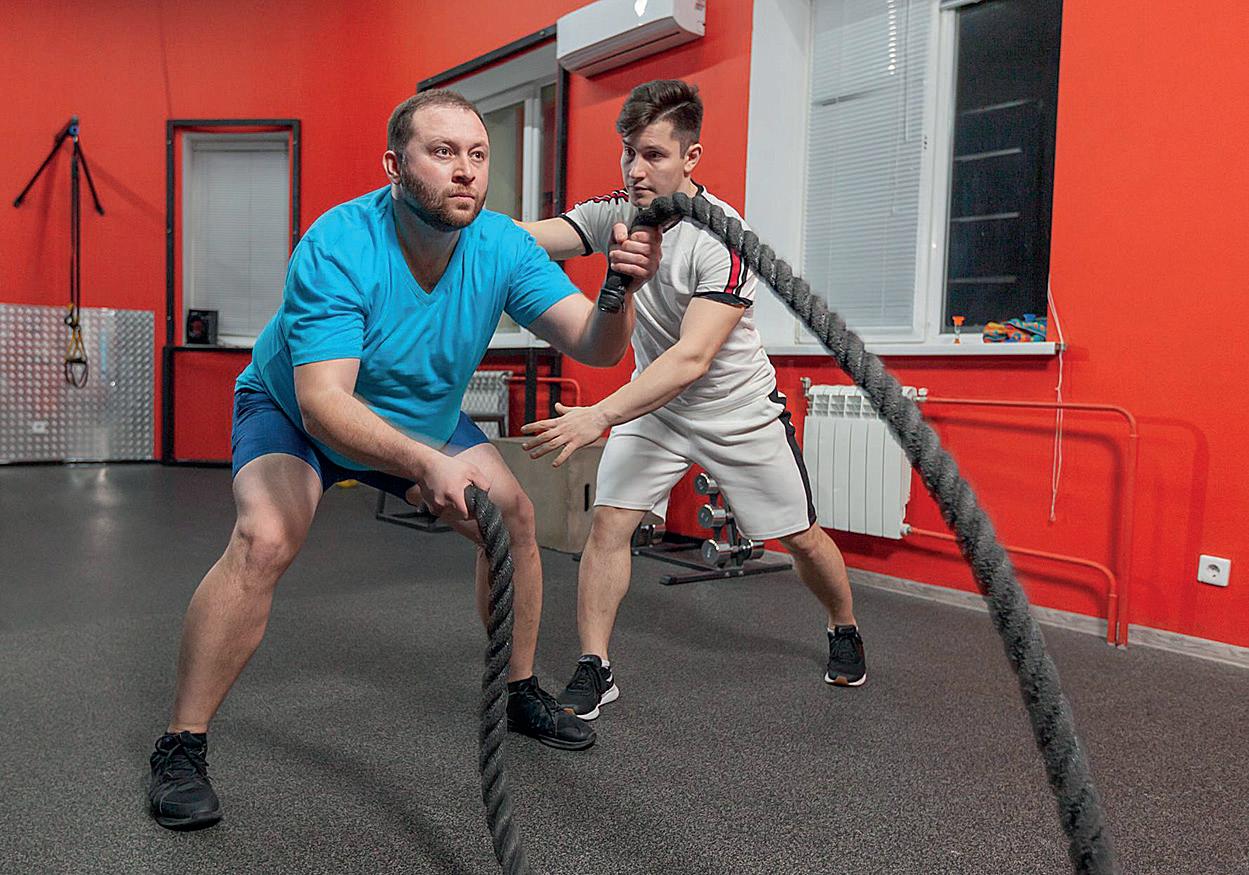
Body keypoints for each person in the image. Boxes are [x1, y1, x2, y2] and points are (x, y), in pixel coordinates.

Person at [147, 89, 661, 830]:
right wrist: (424, 465)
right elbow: (325, 403)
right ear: (394, 165)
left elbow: (596, 345)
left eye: (477, 154)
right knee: (264, 538)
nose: (466, 170)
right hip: (297, 411)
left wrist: (619, 291)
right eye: (443, 152)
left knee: (513, 519)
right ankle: (181, 743)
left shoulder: (501, 246)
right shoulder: (338, 244)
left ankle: (518, 690)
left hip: (417, 414)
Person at [518, 80, 865, 722]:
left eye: (653, 154)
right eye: (629, 152)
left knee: (800, 538)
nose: (635, 169)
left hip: (736, 410)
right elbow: (522, 238)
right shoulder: (614, 213)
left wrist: (600, 415)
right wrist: (448, 215)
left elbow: (691, 358)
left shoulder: (724, 238)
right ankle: (595, 665)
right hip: (654, 409)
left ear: (691, 157)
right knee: (609, 525)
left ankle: (842, 623)